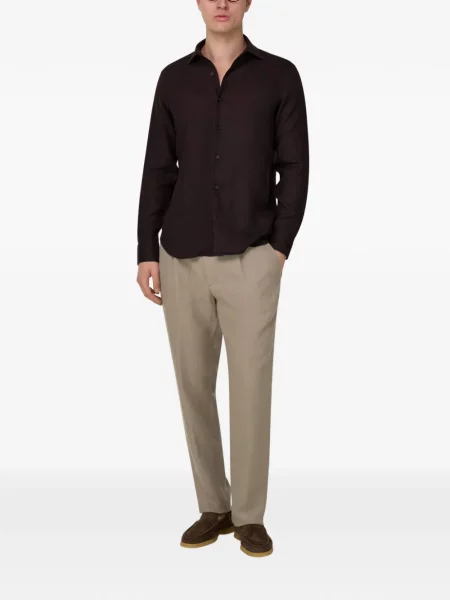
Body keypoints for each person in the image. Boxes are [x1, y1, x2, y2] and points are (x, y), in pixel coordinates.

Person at [136, 0, 309, 558]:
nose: (222, 3)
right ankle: (214, 505)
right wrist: (146, 250)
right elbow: (158, 166)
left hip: (252, 254)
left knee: (251, 386)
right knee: (193, 385)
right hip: (180, 255)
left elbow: (295, 166)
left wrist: (278, 247)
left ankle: (250, 516)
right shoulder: (172, 79)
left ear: (248, 1)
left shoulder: (279, 76)